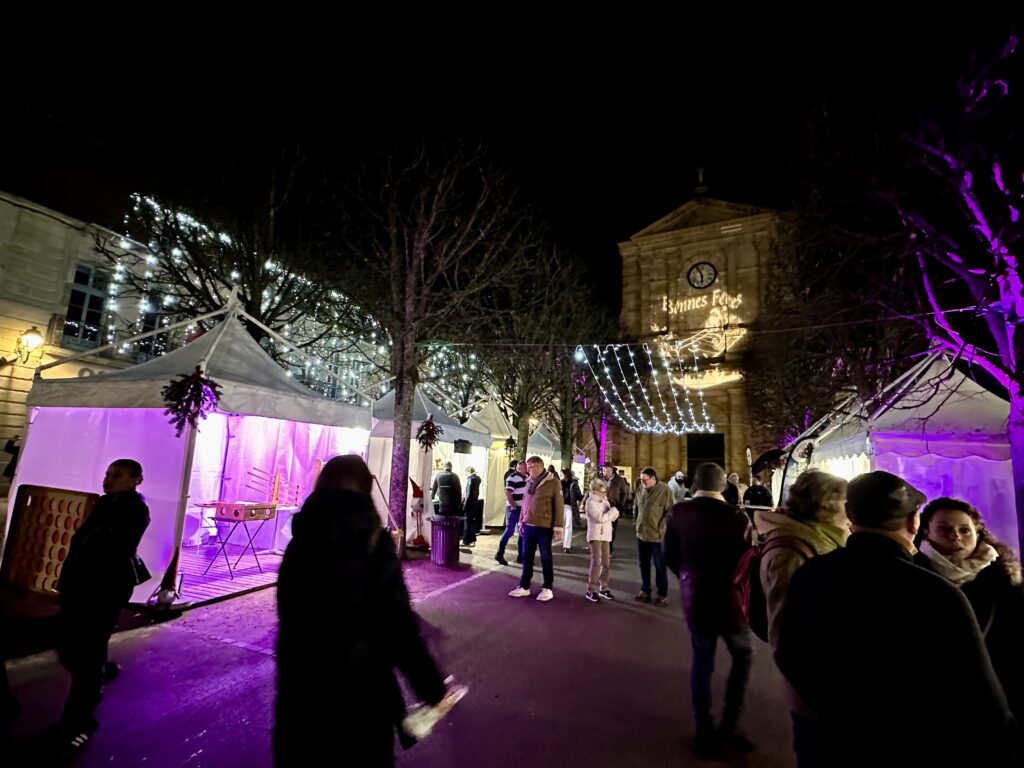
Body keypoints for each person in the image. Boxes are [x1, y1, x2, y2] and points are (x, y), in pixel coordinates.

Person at [775, 471, 1015, 768]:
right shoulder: (936, 593)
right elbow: (984, 701)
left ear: (850, 517)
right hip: (908, 748)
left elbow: (787, 654)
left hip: (828, 742)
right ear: (915, 523)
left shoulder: (810, 573)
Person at [275, 455, 461, 767]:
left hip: (301, 694)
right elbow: (398, 626)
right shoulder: (373, 543)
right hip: (358, 698)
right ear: (364, 488)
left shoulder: (300, 543)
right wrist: (431, 688)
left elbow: (287, 613)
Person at [48, 459, 150, 759]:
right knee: (71, 644)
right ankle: (101, 671)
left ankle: (81, 721)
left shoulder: (134, 511)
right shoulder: (108, 503)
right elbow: (82, 545)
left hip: (104, 589)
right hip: (82, 587)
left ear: (136, 480)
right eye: (107, 474)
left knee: (87, 651)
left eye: (117, 476)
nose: (108, 479)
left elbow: (106, 550)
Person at [914, 497, 1024, 761]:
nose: (957, 537)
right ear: (926, 532)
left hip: (998, 698)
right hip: (935, 708)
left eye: (965, 530)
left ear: (978, 532)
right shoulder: (913, 577)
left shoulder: (1003, 576)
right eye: (945, 529)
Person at [664, 462, 753, 758]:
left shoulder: (679, 513)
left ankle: (704, 728)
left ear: (694, 484)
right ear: (722, 486)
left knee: (702, 660)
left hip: (696, 596)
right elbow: (746, 559)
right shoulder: (737, 517)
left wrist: (688, 577)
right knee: (742, 656)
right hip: (731, 600)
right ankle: (730, 722)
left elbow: (671, 556)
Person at [756, 470, 848, 650]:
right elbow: (785, 629)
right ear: (825, 505)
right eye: (846, 502)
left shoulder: (816, 537)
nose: (852, 509)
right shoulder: (791, 551)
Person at [508, 456, 563, 602]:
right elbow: (525, 502)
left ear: (538, 467)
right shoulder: (529, 482)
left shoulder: (553, 483)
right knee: (527, 556)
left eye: (529, 467)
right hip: (528, 525)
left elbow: (559, 506)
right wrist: (521, 521)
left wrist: (558, 527)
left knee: (546, 556)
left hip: (544, 526)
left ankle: (547, 587)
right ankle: (524, 586)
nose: (527, 470)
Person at [633, 467, 674, 606]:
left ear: (653, 479)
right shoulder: (640, 489)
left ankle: (662, 595)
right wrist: (635, 522)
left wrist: (662, 527)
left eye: (645, 480)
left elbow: (670, 511)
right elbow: (636, 507)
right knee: (643, 564)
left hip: (657, 536)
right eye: (641, 480)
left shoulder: (665, 490)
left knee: (659, 566)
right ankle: (645, 590)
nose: (643, 483)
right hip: (642, 534)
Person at [583, 478, 619, 602]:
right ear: (595, 491)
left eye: (605, 492)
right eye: (602, 492)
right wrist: (613, 511)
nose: (605, 494)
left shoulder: (605, 501)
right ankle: (591, 589)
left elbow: (612, 517)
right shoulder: (590, 502)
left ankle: (604, 588)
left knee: (606, 563)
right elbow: (600, 518)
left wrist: (612, 513)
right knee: (596, 563)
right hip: (595, 535)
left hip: (606, 535)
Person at [496, 460, 527, 566]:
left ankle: (521, 556)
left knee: (522, 531)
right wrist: (513, 505)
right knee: (509, 531)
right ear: (519, 468)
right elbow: (508, 493)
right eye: (525, 467)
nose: (527, 469)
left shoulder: (527, 478)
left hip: (522, 509)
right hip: (513, 508)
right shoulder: (512, 477)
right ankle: (500, 553)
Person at [601, 462, 628, 552]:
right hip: (601, 508)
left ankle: (610, 546)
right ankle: (602, 547)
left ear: (612, 471)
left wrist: (620, 505)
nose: (606, 472)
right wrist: (584, 502)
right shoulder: (599, 479)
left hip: (614, 508)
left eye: (608, 470)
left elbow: (624, 493)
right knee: (601, 528)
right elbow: (591, 490)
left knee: (612, 528)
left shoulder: (619, 480)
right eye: (604, 470)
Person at [560, 469, 583, 553]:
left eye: (561, 474)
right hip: (560, 506)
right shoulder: (559, 483)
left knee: (568, 526)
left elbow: (579, 495)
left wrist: (581, 502)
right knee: (561, 525)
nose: (560, 475)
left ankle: (566, 545)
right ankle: (562, 541)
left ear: (566, 474)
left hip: (570, 506)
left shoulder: (573, 484)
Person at [461, 466, 481, 547]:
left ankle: (466, 540)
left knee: (467, 522)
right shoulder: (477, 478)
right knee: (472, 522)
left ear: (469, 471)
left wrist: (464, 505)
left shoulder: (471, 479)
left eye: (466, 472)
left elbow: (468, 493)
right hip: (475, 503)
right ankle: (472, 539)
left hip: (469, 504)